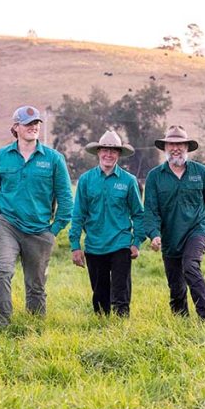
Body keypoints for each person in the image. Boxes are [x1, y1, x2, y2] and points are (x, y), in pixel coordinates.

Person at [0, 105, 73, 327]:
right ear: (15, 127)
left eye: (36, 124)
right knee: (1, 271)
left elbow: (66, 198)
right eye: (28, 124)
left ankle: (34, 326)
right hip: (7, 225)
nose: (33, 127)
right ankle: (1, 324)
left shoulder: (54, 159)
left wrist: (54, 229)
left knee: (36, 284)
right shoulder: (1, 157)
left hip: (40, 229)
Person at [143, 125, 205, 321]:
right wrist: (154, 234)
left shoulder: (202, 172)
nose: (176, 148)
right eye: (171, 144)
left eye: (180, 144)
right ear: (165, 147)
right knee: (176, 286)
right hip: (169, 236)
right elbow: (150, 210)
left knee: (190, 267)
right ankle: (181, 322)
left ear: (187, 147)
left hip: (196, 230)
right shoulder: (155, 176)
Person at [69, 130, 144, 316]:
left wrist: (136, 243)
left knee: (121, 293)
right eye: (105, 150)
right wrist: (74, 245)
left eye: (113, 151)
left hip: (121, 244)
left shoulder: (129, 181)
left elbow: (138, 214)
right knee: (100, 296)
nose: (108, 155)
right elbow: (78, 214)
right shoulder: (86, 180)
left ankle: (121, 332)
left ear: (119, 154)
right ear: (98, 152)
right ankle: (102, 329)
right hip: (94, 245)